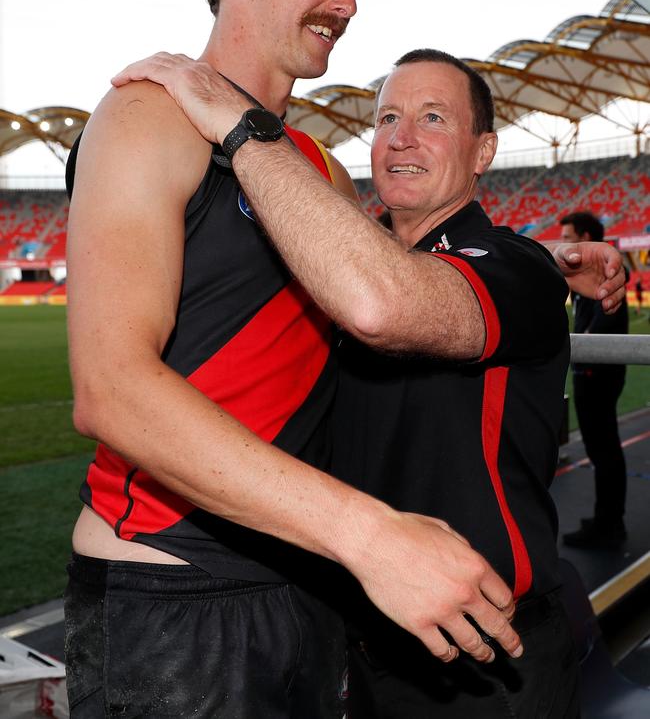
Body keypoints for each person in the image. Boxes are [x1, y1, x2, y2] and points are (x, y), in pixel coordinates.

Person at [64, 0, 528, 719]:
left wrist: (557, 260)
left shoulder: (312, 168)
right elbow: (112, 391)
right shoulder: (144, 117)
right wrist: (370, 533)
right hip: (175, 593)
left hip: (308, 583)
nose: (346, 1)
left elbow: (386, 293)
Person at [112, 49, 628, 718]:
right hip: (359, 647)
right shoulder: (340, 264)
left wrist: (240, 124)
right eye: (388, 118)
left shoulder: (517, 267)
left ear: (483, 151)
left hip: (487, 662)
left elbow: (388, 302)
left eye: (433, 117)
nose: (402, 136)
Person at [560, 211, 629, 549]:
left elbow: (603, 326)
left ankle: (609, 523)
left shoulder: (603, 272)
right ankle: (607, 516)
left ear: (585, 236)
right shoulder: (584, 274)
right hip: (592, 374)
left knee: (605, 452)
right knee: (602, 451)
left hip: (598, 376)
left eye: (569, 237)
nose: (564, 244)